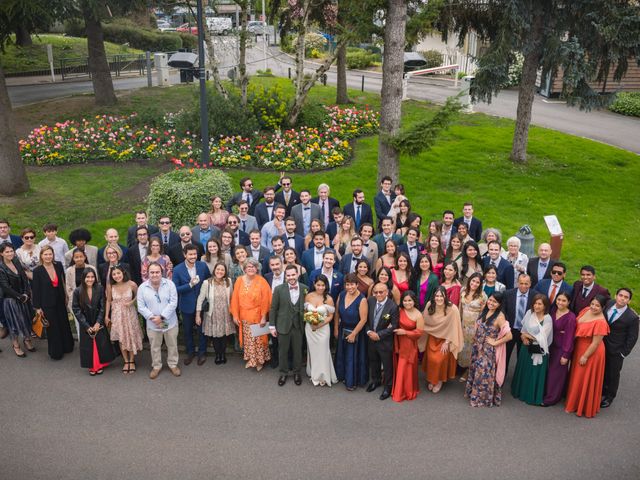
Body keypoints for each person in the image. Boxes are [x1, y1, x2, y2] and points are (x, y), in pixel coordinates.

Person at [565, 295, 610, 418]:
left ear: (603, 307)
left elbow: (595, 343)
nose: (594, 307)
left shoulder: (601, 322)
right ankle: (574, 402)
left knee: (583, 378)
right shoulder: (586, 310)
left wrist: (585, 356)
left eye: (597, 306)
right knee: (577, 377)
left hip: (591, 353)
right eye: (593, 304)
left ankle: (582, 406)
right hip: (580, 347)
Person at [465, 292, 512, 407]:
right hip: (477, 347)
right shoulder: (484, 310)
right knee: (476, 370)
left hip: (487, 350)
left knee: (483, 374)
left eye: (495, 302)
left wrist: (495, 342)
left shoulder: (500, 317)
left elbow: (509, 336)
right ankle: (474, 394)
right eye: (490, 300)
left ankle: (482, 399)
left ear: (499, 304)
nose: (491, 303)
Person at [137, 262, 181, 379]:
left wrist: (161, 317)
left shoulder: (170, 284)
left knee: (172, 345)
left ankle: (173, 364)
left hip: (169, 322)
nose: (155, 275)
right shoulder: (142, 288)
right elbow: (141, 306)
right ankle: (156, 366)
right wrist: (153, 317)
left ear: (162, 273)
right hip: (152, 323)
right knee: (155, 346)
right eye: (152, 272)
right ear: (148, 273)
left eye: (157, 272)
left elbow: (173, 303)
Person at [32, 245, 74, 360]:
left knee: (64, 322)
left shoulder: (58, 265)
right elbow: (36, 290)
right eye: (45, 254)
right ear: (41, 256)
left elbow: (62, 281)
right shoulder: (37, 271)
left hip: (60, 299)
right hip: (46, 303)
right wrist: (37, 307)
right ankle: (56, 352)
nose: (48, 256)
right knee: (53, 327)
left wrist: (66, 295)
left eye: (50, 254)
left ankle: (67, 346)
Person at [230, 258, 272, 371]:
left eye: (253, 266)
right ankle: (251, 359)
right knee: (248, 340)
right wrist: (235, 315)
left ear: (257, 268)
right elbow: (235, 298)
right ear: (244, 269)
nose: (251, 269)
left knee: (258, 340)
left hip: (258, 316)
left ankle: (260, 361)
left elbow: (266, 300)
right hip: (244, 316)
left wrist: (264, 317)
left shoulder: (262, 281)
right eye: (248, 267)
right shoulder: (239, 280)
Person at [511, 294, 553, 405]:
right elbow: (523, 330)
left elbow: (543, 337)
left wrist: (527, 335)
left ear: (545, 306)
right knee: (524, 371)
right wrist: (523, 337)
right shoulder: (529, 313)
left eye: (540, 304)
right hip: (526, 348)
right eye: (535, 303)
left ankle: (532, 395)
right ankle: (520, 392)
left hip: (539, 351)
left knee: (534, 373)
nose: (536, 306)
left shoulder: (547, 318)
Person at [420, 287, 464, 393]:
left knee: (438, 360)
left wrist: (447, 342)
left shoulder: (453, 309)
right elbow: (423, 320)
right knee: (431, 359)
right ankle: (432, 379)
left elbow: (455, 327)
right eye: (437, 296)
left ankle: (439, 380)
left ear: (445, 296)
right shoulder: (429, 305)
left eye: (441, 296)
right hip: (432, 336)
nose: (439, 298)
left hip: (446, 338)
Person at [173, 244, 210, 366]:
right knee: (188, 331)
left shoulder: (202, 266)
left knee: (201, 330)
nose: (193, 256)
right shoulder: (177, 269)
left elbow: (209, 281)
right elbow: (175, 289)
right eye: (190, 254)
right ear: (185, 255)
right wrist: (189, 285)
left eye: (195, 254)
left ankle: (202, 353)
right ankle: (190, 352)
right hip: (186, 305)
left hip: (201, 305)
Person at [269, 265, 307, 386]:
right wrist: (272, 326)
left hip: (298, 325)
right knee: (283, 351)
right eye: (288, 275)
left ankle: (297, 372)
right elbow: (273, 308)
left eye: (293, 275)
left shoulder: (305, 288)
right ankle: (283, 373)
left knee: (297, 351)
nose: (291, 277)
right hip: (283, 325)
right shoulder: (279, 289)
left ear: (297, 274)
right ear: (285, 276)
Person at [72, 269, 115, 375]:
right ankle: (93, 366)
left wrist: (98, 322)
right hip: (85, 321)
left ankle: (101, 364)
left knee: (101, 343)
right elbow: (76, 309)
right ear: (83, 278)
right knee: (89, 345)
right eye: (88, 277)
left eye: (92, 277)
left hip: (97, 320)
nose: (90, 279)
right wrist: (86, 325)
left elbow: (103, 306)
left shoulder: (100, 288)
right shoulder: (77, 291)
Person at [601, 288, 638, 408]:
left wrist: (623, 353)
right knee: (603, 369)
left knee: (613, 374)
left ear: (629, 301)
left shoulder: (632, 317)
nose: (622, 298)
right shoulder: (609, 304)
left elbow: (632, 337)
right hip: (602, 345)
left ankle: (610, 396)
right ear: (615, 296)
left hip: (616, 350)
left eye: (626, 297)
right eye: (620, 295)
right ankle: (602, 389)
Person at [334, 273, 369, 390]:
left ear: (357, 285)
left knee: (351, 356)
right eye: (347, 285)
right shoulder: (342, 295)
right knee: (342, 353)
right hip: (342, 327)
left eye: (352, 284)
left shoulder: (362, 299)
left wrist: (354, 334)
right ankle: (342, 375)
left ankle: (352, 381)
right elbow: (337, 313)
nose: (350, 287)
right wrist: (335, 328)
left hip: (356, 330)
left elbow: (364, 319)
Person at [105, 265, 142, 374]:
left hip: (129, 314)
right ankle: (126, 361)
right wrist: (106, 316)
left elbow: (139, 295)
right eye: (114, 274)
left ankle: (132, 360)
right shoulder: (111, 286)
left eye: (118, 273)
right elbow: (108, 300)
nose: (117, 276)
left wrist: (132, 302)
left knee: (130, 336)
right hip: (117, 315)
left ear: (123, 273)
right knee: (121, 338)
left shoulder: (132, 284)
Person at [365, 282, 399, 400]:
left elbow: (394, 326)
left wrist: (379, 335)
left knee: (387, 365)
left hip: (384, 341)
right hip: (371, 338)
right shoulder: (370, 301)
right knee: (373, 361)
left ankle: (388, 387)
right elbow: (365, 319)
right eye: (376, 292)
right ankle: (376, 381)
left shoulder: (393, 306)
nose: (378, 294)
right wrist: (369, 332)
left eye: (381, 292)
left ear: (387, 292)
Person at [196, 262, 234, 365]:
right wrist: (198, 314)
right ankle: (218, 355)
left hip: (226, 313)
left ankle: (223, 354)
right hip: (213, 314)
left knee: (224, 336)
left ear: (225, 272)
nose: (220, 272)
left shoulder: (229, 281)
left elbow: (232, 297)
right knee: (216, 336)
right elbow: (200, 299)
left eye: (222, 270)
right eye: (218, 269)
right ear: (214, 270)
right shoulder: (207, 283)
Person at [0, 243, 34, 357]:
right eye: (7, 252)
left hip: (24, 297)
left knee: (26, 319)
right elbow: (5, 287)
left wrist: (26, 293)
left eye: (11, 251)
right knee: (14, 323)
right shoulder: (1, 267)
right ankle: (16, 345)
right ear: (1, 253)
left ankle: (27, 340)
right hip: (11, 300)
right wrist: (19, 296)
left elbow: (24, 278)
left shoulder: (16, 261)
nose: (10, 253)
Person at [542, 292, 576, 406]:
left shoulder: (571, 318)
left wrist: (566, 354)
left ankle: (552, 398)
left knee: (555, 374)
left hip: (561, 349)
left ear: (569, 302)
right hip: (550, 346)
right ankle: (547, 393)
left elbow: (569, 337)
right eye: (559, 299)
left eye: (563, 301)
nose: (560, 302)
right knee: (548, 371)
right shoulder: (553, 311)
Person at [304, 274, 338, 386]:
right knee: (313, 351)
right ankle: (314, 373)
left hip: (323, 329)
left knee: (323, 351)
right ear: (314, 284)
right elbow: (305, 312)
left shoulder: (329, 299)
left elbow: (330, 316)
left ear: (326, 286)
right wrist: (310, 322)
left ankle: (323, 375)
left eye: (323, 285)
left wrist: (319, 325)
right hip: (310, 329)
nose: (320, 287)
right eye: (318, 285)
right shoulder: (308, 296)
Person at [391, 291, 425, 402]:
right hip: (398, 341)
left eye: (409, 300)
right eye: (405, 300)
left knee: (405, 366)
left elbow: (419, 333)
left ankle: (404, 392)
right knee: (398, 364)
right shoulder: (399, 310)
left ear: (414, 301)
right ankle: (399, 389)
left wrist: (405, 332)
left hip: (409, 344)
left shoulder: (418, 315)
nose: (407, 303)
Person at [458, 273, 487, 378]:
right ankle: (460, 367)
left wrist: (479, 329)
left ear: (480, 284)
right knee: (462, 346)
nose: (474, 284)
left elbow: (483, 314)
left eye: (477, 282)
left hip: (474, 326)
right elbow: (460, 307)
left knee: (471, 349)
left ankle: (468, 371)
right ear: (469, 280)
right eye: (473, 281)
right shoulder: (463, 290)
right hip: (463, 323)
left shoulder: (483, 296)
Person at [502, 274, 534, 367]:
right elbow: (503, 311)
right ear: (517, 283)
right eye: (521, 283)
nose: (523, 286)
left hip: (525, 332)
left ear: (530, 284)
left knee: (522, 359)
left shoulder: (535, 295)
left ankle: (518, 380)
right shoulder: (508, 294)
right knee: (505, 357)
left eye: (526, 283)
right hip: (510, 331)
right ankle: (500, 380)